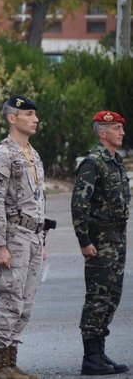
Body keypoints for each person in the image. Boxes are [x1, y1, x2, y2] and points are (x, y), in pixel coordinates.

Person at [0, 95, 44, 379]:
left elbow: (38, 200)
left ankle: (11, 361)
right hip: (13, 236)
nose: (35, 119)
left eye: (35, 115)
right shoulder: (4, 154)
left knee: (26, 303)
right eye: (29, 114)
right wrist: (0, 245)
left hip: (33, 236)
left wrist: (41, 237)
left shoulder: (32, 154)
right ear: (13, 118)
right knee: (10, 300)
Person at [71, 111, 130, 376]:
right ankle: (90, 357)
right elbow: (79, 205)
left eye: (121, 129)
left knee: (112, 296)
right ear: (102, 132)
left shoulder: (115, 162)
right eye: (116, 128)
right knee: (97, 297)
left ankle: (100, 352)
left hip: (117, 239)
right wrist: (84, 240)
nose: (122, 133)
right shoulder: (93, 162)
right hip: (100, 240)